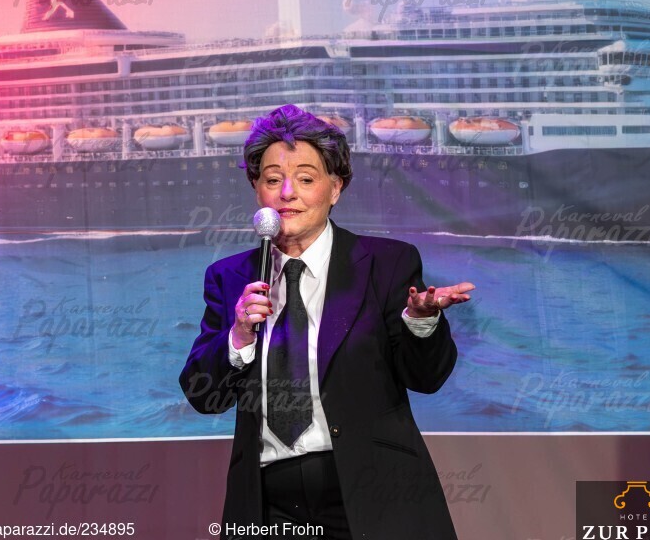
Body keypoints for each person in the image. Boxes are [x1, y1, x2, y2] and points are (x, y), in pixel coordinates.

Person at [179, 105, 475, 539]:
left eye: (305, 179)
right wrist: (239, 334)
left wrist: (420, 321)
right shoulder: (229, 277)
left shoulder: (386, 263)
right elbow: (205, 397)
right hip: (268, 502)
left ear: (335, 188)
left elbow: (426, 378)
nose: (287, 194)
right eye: (272, 180)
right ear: (256, 190)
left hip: (373, 491)